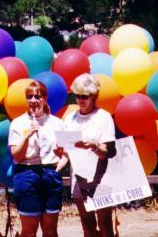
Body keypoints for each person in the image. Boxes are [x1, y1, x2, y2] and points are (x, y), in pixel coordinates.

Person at [8, 81, 67, 237]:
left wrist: (61, 164)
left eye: (37, 96)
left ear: (45, 98)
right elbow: (16, 155)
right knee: (28, 231)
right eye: (29, 97)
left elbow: (67, 151)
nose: (33, 100)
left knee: (50, 230)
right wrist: (27, 136)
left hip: (50, 174)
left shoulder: (57, 123)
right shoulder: (18, 123)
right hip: (27, 174)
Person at [60, 73, 117, 237]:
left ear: (94, 96)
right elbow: (65, 150)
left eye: (84, 96)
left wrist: (95, 147)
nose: (80, 99)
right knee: (87, 226)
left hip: (102, 178)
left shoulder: (104, 117)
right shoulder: (70, 118)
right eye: (77, 95)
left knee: (105, 226)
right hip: (79, 177)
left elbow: (107, 152)